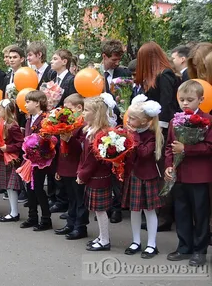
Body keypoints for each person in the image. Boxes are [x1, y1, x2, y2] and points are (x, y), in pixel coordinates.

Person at [165, 80, 212, 266]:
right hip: (179, 175)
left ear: (200, 99)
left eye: (190, 99)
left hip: (199, 175)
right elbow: (170, 146)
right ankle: (184, 246)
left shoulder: (208, 121)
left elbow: (209, 147)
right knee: (181, 212)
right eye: (182, 99)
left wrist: (186, 148)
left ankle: (200, 250)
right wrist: (169, 166)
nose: (185, 103)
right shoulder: (174, 120)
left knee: (200, 214)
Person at [136, 41, 180, 231]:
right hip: (156, 129)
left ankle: (165, 216)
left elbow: (167, 105)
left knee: (164, 172)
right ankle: (161, 213)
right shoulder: (156, 76)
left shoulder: (165, 75)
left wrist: (158, 131)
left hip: (163, 131)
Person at [123, 95, 164, 259]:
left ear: (144, 121)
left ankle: (152, 244)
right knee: (134, 210)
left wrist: (134, 136)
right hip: (133, 175)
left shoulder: (151, 135)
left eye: (132, 118)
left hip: (147, 176)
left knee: (149, 210)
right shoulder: (131, 131)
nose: (129, 120)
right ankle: (136, 241)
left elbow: (144, 153)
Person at [78, 93, 116, 251]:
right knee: (96, 209)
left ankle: (105, 240)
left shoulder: (99, 134)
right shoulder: (91, 130)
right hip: (93, 176)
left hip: (98, 176)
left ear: (96, 113)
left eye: (86, 110)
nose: (83, 113)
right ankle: (101, 236)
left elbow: (92, 159)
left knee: (100, 211)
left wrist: (82, 174)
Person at [54, 93, 89, 240]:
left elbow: (82, 147)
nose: (65, 111)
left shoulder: (83, 125)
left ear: (79, 108)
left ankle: (80, 226)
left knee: (79, 198)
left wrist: (69, 138)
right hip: (66, 166)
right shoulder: (68, 122)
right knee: (71, 197)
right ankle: (71, 222)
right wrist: (58, 168)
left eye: (68, 108)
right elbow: (60, 147)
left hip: (77, 165)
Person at [20, 91, 53, 231]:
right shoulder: (29, 119)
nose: (26, 104)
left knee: (38, 188)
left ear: (38, 103)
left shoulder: (45, 118)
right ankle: (32, 216)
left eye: (28, 102)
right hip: (29, 158)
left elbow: (47, 139)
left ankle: (46, 219)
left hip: (40, 159)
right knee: (30, 188)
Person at [0, 99, 24, 222]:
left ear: (5, 111)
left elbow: (21, 143)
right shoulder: (1, 123)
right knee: (7, 186)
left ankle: (14, 213)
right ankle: (13, 211)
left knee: (11, 187)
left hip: (11, 159)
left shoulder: (13, 126)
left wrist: (8, 148)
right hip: (3, 158)